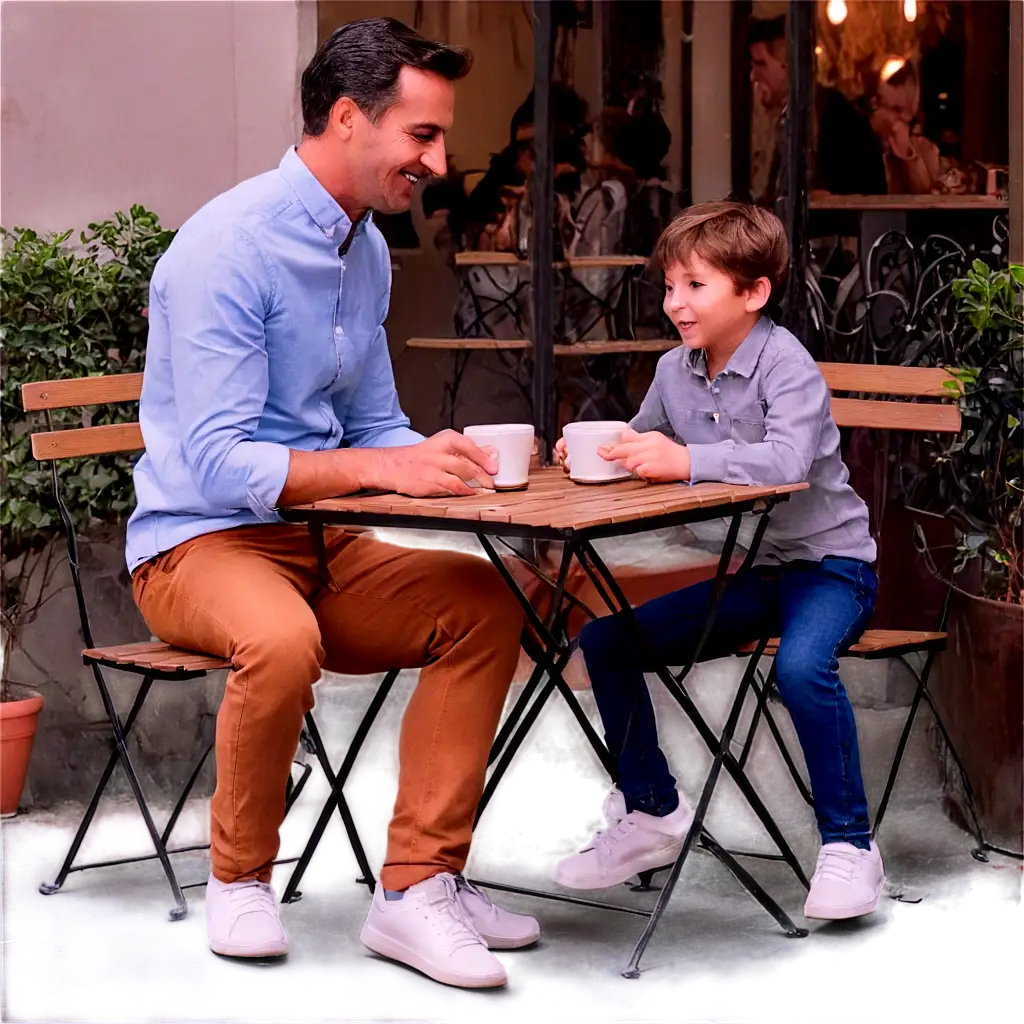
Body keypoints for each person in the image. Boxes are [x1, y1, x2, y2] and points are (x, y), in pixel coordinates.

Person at [127, 17, 538, 989]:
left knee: (482, 603)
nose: (438, 162)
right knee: (279, 639)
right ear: (348, 118)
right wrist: (380, 471)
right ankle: (238, 876)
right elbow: (225, 467)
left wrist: (441, 459)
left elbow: (375, 424)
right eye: (423, 136)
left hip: (321, 542)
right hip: (197, 543)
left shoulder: (367, 251)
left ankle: (416, 888)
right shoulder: (225, 249)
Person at [550, 202, 887, 921]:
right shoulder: (677, 370)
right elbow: (643, 438)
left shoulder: (786, 366)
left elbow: (788, 460)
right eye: (670, 286)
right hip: (758, 577)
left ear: (752, 292)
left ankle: (851, 846)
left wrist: (684, 460)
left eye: (695, 286)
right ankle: (652, 812)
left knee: (799, 667)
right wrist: (596, 447)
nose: (675, 303)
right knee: (605, 640)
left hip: (833, 570)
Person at [748, 16, 887, 203]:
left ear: (787, 66)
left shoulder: (840, 121)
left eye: (761, 64)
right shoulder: (786, 117)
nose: (753, 76)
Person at [867, 57, 943, 195]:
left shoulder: (925, 150)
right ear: (872, 104)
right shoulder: (854, 149)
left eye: (910, 116)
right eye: (896, 110)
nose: (904, 124)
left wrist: (907, 154)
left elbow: (926, 201)